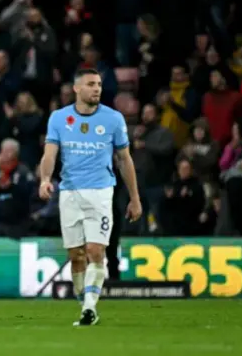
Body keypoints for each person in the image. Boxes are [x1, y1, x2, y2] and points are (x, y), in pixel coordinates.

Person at [38, 68, 142, 326]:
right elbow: (50, 153)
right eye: (91, 84)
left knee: (96, 250)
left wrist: (135, 198)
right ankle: (84, 299)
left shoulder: (113, 119)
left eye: (98, 84)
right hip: (69, 192)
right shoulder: (59, 118)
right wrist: (45, 179)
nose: (97, 89)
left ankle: (89, 308)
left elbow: (124, 159)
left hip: (101, 192)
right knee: (76, 256)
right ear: (77, 88)